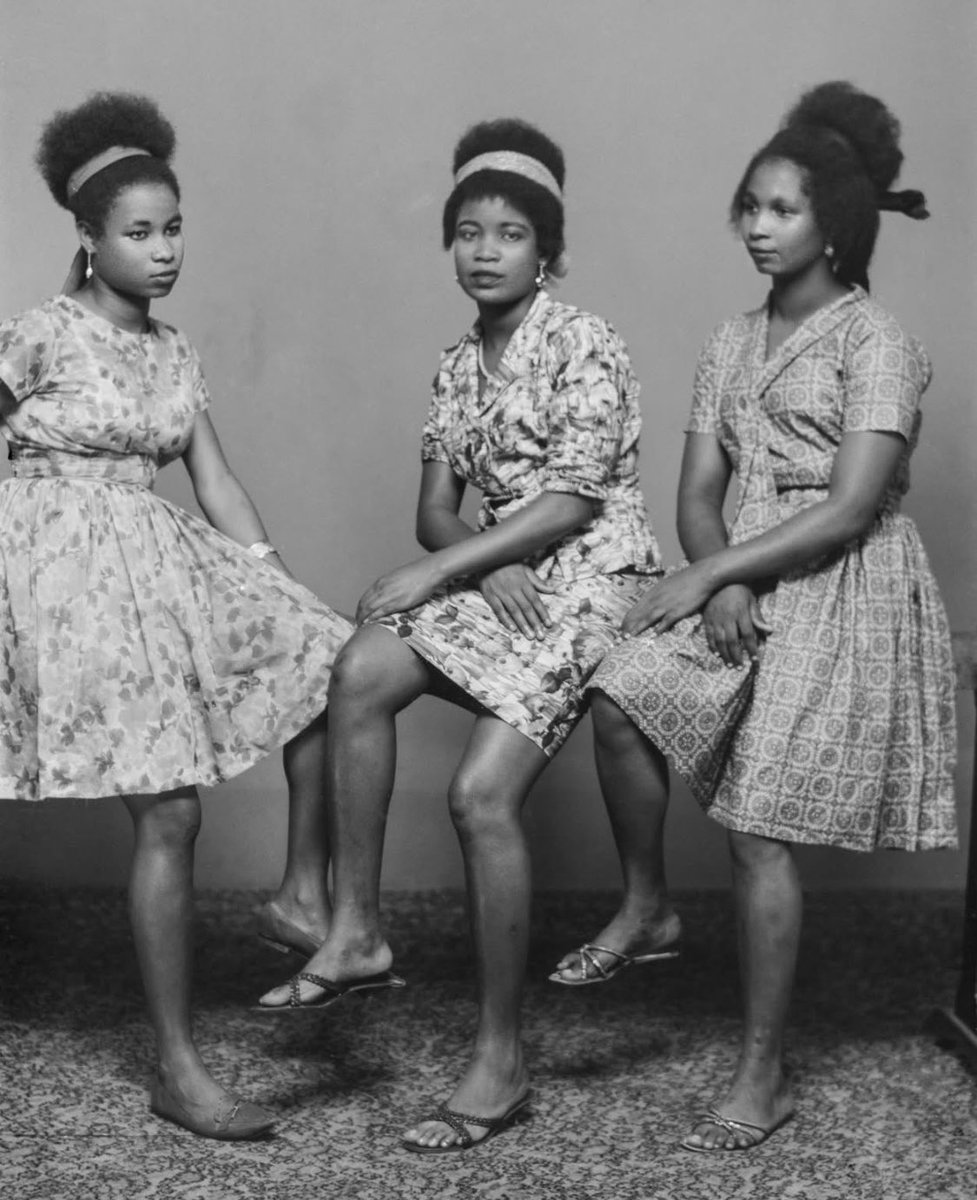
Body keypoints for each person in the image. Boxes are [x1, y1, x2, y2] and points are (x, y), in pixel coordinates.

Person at [562, 81, 958, 1151]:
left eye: (780, 209)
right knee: (618, 694)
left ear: (834, 222)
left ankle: (761, 1070)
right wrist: (721, 575)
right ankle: (648, 904)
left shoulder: (876, 340)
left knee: (756, 833)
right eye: (748, 205)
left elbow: (849, 505)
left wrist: (716, 574)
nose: (756, 226)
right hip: (743, 574)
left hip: (842, 588)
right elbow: (699, 491)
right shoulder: (728, 341)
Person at [257, 118, 664, 1152]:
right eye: (469, 231)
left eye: (511, 233)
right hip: (503, 573)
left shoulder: (585, 341)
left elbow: (573, 501)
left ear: (546, 252)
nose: (485, 250)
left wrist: (459, 566)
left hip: (592, 582)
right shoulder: (454, 366)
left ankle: (500, 1059)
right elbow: (434, 510)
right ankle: (356, 929)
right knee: (361, 665)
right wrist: (484, 561)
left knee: (479, 795)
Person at [0, 92, 352, 1139]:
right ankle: (179, 1068)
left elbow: (216, 480)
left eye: (174, 229)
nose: (163, 252)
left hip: (151, 571)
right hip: (55, 583)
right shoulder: (40, 334)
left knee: (330, 659)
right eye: (139, 233)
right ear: (88, 236)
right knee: (173, 813)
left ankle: (300, 893)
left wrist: (277, 580)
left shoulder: (173, 351)